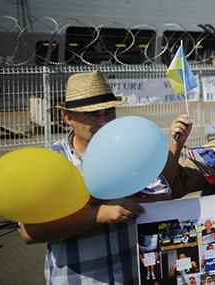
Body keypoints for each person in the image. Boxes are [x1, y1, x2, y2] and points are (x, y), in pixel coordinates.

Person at [19, 70, 180, 284]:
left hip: (132, 276)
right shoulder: (52, 162)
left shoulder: (131, 152)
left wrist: (128, 204)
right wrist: (99, 213)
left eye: (109, 112)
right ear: (68, 118)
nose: (104, 122)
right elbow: (30, 232)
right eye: (93, 115)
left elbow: (163, 198)